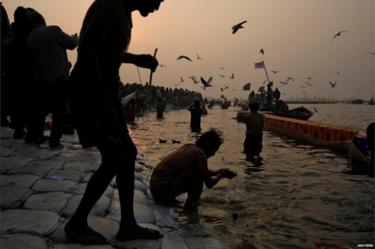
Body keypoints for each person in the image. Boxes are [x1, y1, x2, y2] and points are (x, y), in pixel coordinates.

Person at [65, 0, 164, 244]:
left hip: (106, 93)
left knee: (127, 153)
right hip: (90, 91)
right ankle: (77, 222)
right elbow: (87, 51)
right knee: (114, 154)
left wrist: (134, 59)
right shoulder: (109, 5)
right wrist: (104, 107)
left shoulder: (123, 12)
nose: (157, 7)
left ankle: (128, 224)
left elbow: (107, 51)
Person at [27, 9, 78, 148]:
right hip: (58, 79)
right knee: (59, 112)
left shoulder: (30, 38)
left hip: (40, 81)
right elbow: (71, 44)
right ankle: (54, 140)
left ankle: (37, 136)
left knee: (40, 111)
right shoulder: (53, 31)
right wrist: (75, 38)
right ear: (43, 21)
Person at [150, 129, 236, 210]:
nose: (213, 154)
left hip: (156, 187)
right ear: (209, 146)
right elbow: (209, 183)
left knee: (196, 172)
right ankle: (190, 209)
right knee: (197, 176)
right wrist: (221, 175)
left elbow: (203, 171)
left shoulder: (190, 146)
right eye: (214, 150)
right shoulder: (200, 153)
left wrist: (218, 172)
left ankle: (188, 205)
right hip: (161, 190)